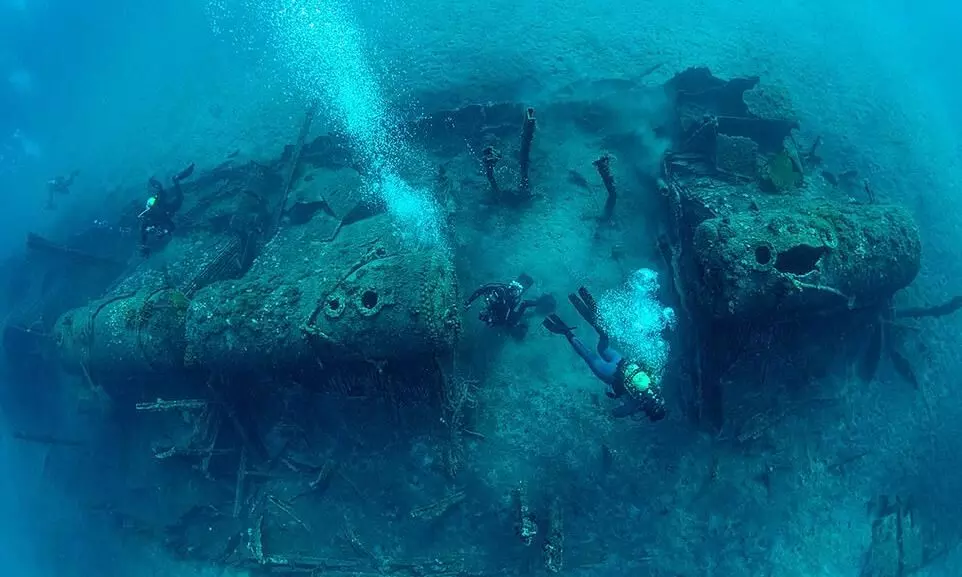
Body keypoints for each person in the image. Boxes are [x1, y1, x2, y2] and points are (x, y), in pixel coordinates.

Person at [542, 286, 666, 421]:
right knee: (588, 355)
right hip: (610, 374)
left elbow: (648, 366)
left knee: (603, 340)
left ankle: (588, 301)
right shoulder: (638, 404)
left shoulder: (655, 386)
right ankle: (565, 331)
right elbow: (614, 413)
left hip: (620, 361)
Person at [139, 163, 194, 256]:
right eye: (153, 208)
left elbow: (171, 225)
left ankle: (175, 179)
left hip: (169, 208)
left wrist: (152, 181)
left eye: (155, 207)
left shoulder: (159, 209)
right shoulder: (148, 218)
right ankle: (174, 179)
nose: (155, 208)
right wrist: (164, 232)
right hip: (167, 210)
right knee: (168, 194)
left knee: (179, 198)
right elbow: (171, 227)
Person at [465, 273, 555, 330]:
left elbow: (504, 320)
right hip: (505, 313)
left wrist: (469, 302)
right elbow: (482, 289)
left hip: (508, 314)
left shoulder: (504, 299)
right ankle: (541, 300)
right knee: (519, 311)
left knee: (520, 310)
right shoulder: (500, 290)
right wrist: (469, 301)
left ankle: (542, 300)